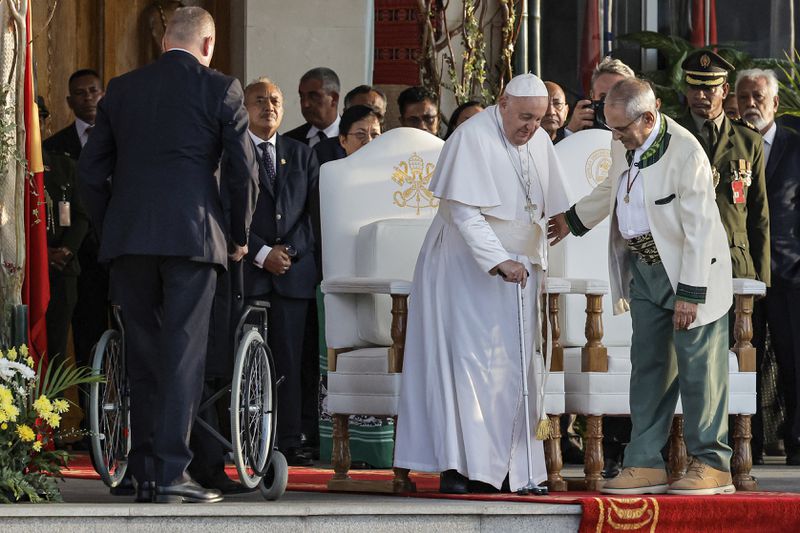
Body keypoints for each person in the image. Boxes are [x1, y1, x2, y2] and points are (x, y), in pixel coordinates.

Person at [78, 7, 258, 504]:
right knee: (183, 353)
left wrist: (111, 226)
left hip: (131, 240)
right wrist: (239, 234)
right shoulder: (221, 88)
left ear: (163, 41)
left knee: (143, 355)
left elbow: (90, 174)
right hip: (193, 240)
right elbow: (243, 170)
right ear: (208, 44)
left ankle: (141, 471)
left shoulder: (122, 89)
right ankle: (173, 472)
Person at [549, 78, 735, 496]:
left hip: (691, 273)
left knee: (700, 373)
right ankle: (645, 462)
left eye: (620, 129)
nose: (613, 137)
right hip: (645, 270)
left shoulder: (687, 153)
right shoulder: (624, 143)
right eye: (611, 128)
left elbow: (701, 229)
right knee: (649, 370)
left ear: (649, 118)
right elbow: (610, 188)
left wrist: (690, 293)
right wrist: (572, 219)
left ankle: (712, 464)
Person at [394, 73, 571, 494]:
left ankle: (510, 468)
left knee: (509, 370)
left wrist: (562, 217)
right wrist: (498, 260)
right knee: (466, 366)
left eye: (540, 119)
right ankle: (460, 468)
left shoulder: (538, 140)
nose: (531, 127)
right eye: (525, 117)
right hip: (464, 270)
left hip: (519, 272)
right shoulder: (471, 137)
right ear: (503, 102)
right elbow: (463, 212)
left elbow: (548, 199)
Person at [241, 77, 320, 467]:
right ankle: (246, 435)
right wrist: (260, 252)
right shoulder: (233, 152)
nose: (267, 106)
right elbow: (226, 211)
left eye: (274, 99)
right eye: (258, 100)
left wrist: (287, 250)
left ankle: (290, 437)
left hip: (293, 274)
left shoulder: (301, 154)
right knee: (246, 359)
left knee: (292, 360)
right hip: (248, 275)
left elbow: (313, 214)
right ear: (244, 109)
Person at [736, 68, 800, 466]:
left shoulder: (796, 147)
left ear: (774, 102)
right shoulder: (730, 145)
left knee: (794, 360)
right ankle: (749, 442)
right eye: (743, 97)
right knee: (746, 363)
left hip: (789, 273)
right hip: (742, 275)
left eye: (758, 97)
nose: (751, 104)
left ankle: (796, 439)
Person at [676, 50, 770, 287]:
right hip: (685, 262)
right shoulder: (672, 135)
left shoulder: (748, 140)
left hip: (736, 263)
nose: (700, 95)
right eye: (693, 87)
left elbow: (759, 214)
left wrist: (762, 279)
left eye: (708, 88)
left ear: (725, 91)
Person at [43, 69, 109, 373]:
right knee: (85, 338)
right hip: (77, 259)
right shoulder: (55, 146)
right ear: (69, 101)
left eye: (93, 90)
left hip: (118, 249)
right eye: (80, 93)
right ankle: (88, 416)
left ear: (103, 94)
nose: (88, 98)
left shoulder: (124, 140)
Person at [38, 98, 89, 364]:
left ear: (45, 124)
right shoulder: (10, 168)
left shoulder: (63, 166)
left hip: (62, 269)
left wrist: (67, 250)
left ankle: (50, 403)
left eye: (38, 119)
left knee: (56, 345)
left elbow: (81, 215)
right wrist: (43, 254)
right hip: (28, 268)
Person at [565, 56, 635, 135]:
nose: (609, 105)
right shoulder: (584, 126)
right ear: (592, 96)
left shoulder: (642, 127)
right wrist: (570, 131)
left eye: (617, 97)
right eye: (603, 97)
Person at [284, 67, 341, 148]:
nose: (305, 104)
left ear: (334, 99)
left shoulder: (354, 137)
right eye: (302, 96)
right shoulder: (289, 141)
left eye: (314, 96)